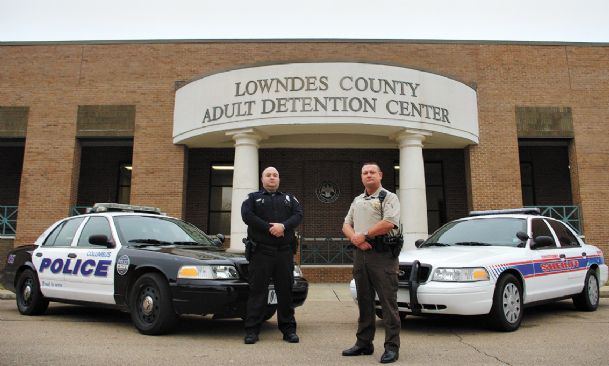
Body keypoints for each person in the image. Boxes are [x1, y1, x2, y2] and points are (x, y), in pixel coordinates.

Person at [342, 162, 401, 364]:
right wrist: (356, 239)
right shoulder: (358, 200)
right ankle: (363, 343)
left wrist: (364, 235)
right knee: (364, 301)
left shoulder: (389, 197)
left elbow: (389, 223)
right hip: (361, 255)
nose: (368, 175)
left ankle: (392, 347)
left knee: (388, 303)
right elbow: (346, 224)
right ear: (362, 177)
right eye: (365, 173)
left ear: (380, 175)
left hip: (382, 256)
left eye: (372, 172)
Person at [241, 166, 303, 344]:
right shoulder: (253, 198)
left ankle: (289, 330)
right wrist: (270, 228)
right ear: (262, 179)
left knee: (285, 292)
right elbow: (247, 216)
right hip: (261, 253)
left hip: (284, 253)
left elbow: (298, 215)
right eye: (268, 175)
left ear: (279, 179)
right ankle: (252, 331)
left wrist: (283, 226)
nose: (272, 178)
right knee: (257, 292)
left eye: (275, 175)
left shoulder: (289, 198)